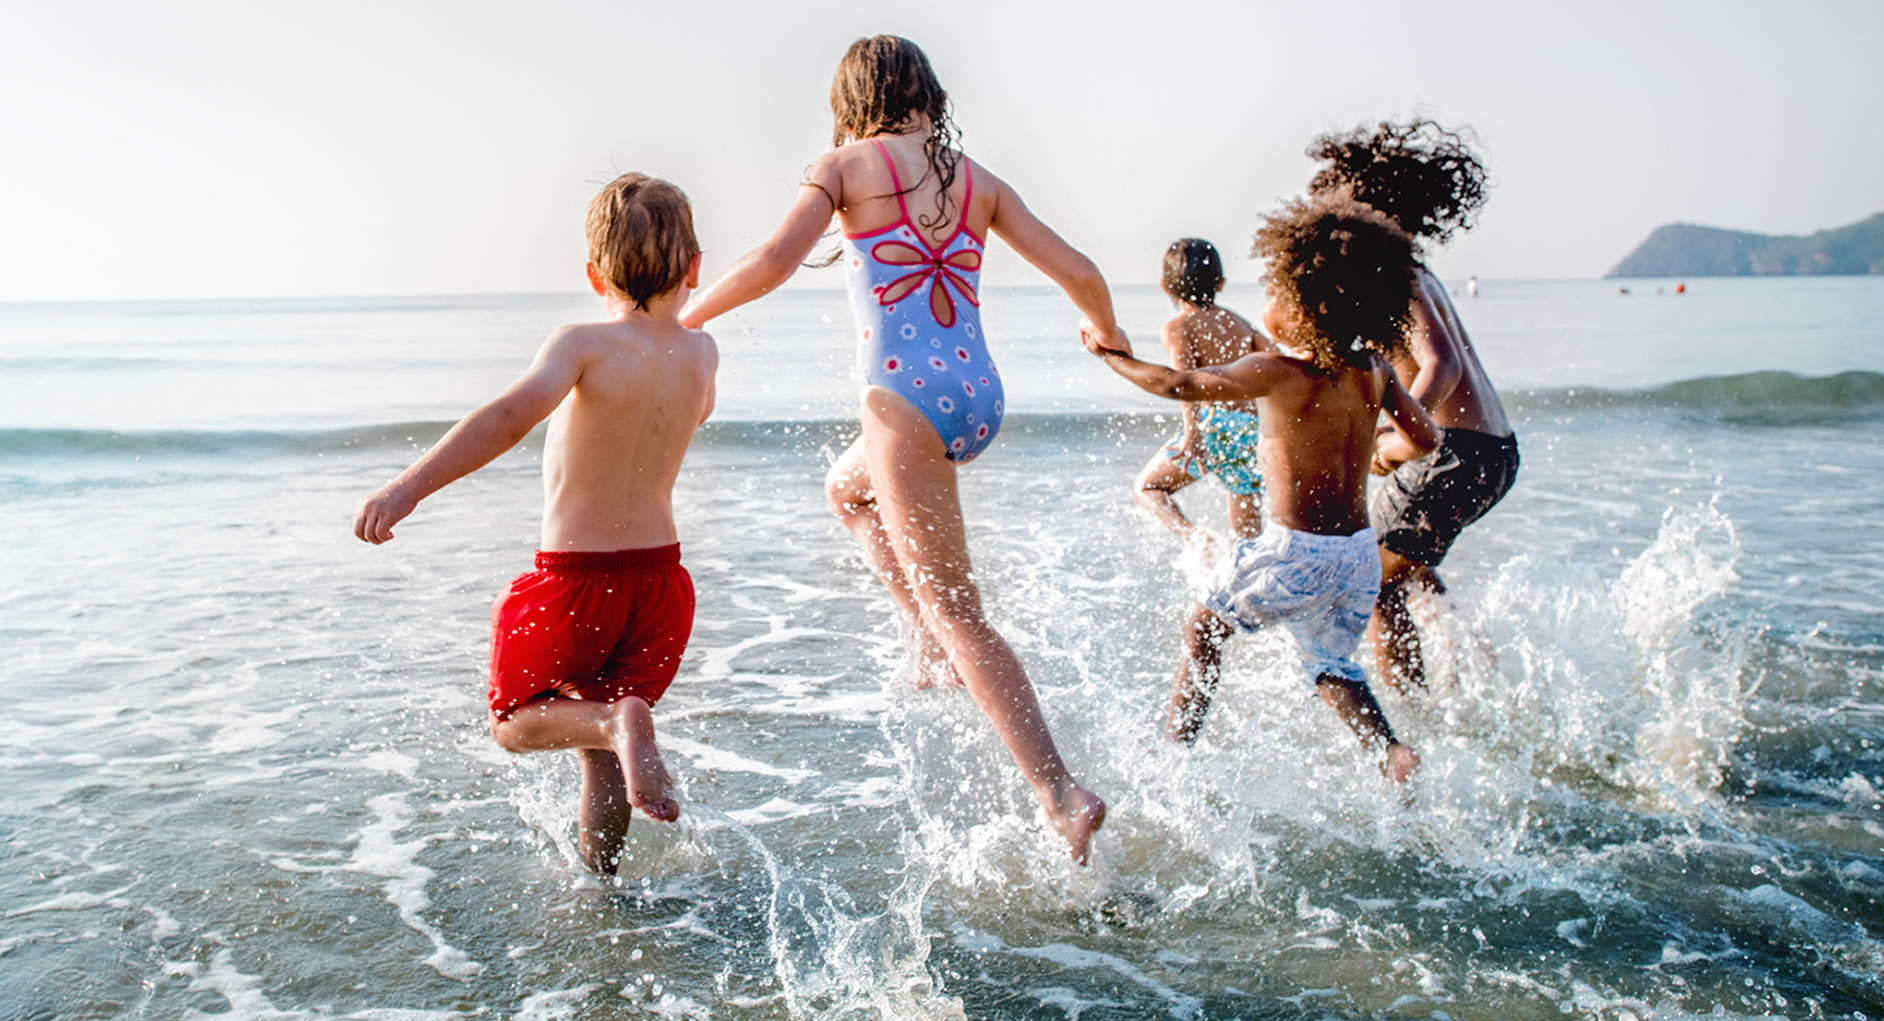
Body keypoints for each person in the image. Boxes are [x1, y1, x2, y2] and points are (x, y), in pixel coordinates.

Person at [677, 35, 1117, 863]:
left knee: (963, 614)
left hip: (902, 402)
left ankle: (1059, 791)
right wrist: (1107, 331)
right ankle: (926, 641)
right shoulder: (975, 177)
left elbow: (773, 262)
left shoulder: (845, 165)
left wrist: (686, 318)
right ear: (927, 91)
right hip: (975, 396)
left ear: (851, 98)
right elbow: (1082, 270)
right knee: (848, 492)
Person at [353, 173, 718, 875]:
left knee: (517, 724)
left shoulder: (581, 343)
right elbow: (690, 416)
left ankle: (619, 727)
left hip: (575, 582)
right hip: (660, 584)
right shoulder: (702, 354)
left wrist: (407, 490)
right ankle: (603, 888)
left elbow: (506, 417)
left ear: (593, 274)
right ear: (695, 269)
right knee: (601, 752)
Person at [1093, 195, 1439, 784]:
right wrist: (1380, 454)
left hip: (1295, 551)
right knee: (1330, 663)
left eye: (1277, 293)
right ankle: (1391, 753)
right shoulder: (1375, 369)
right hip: (1357, 555)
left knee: (1203, 628)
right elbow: (1425, 439)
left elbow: (1177, 384)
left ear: (1306, 304)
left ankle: (1172, 755)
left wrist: (1112, 357)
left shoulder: (1280, 372)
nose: (1268, 304)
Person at [1304, 119, 1520, 691]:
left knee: (1371, 584)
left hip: (1454, 453)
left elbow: (1441, 365)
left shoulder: (1398, 275)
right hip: (1492, 453)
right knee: (1408, 564)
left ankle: (1411, 711)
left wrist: (1399, 438)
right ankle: (1468, 669)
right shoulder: (1415, 272)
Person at [1132, 238, 1270, 552]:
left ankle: (1195, 538)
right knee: (1247, 538)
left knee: (1148, 487)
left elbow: (1185, 382)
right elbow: (1276, 360)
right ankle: (1245, 578)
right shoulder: (1241, 324)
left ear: (1165, 287)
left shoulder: (1180, 327)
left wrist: (1193, 432)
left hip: (1213, 423)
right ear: (1220, 283)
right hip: (1251, 428)